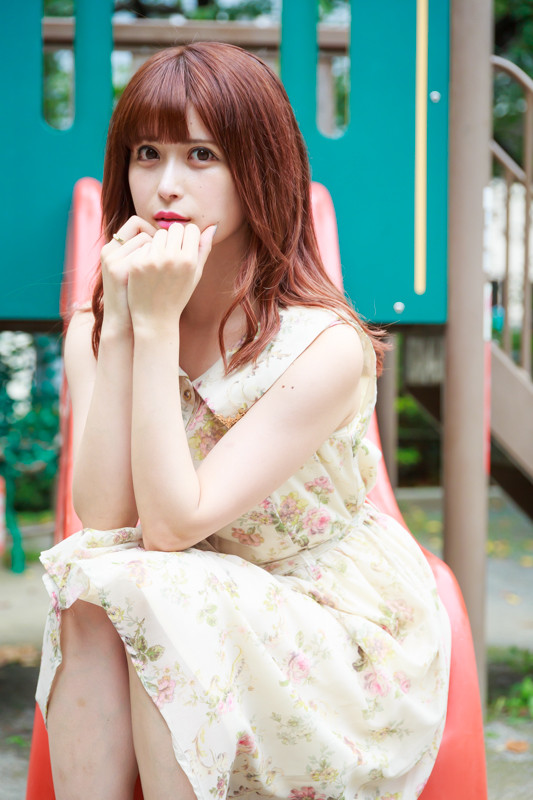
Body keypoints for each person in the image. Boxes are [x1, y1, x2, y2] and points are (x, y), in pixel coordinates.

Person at [36, 42, 450, 800]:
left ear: (259, 169)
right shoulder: (102, 324)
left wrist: (155, 326)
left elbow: (170, 527)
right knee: (90, 587)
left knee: (159, 594)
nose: (166, 184)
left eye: (202, 155)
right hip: (183, 589)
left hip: (329, 627)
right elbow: (103, 516)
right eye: (147, 153)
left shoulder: (322, 345)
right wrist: (123, 327)